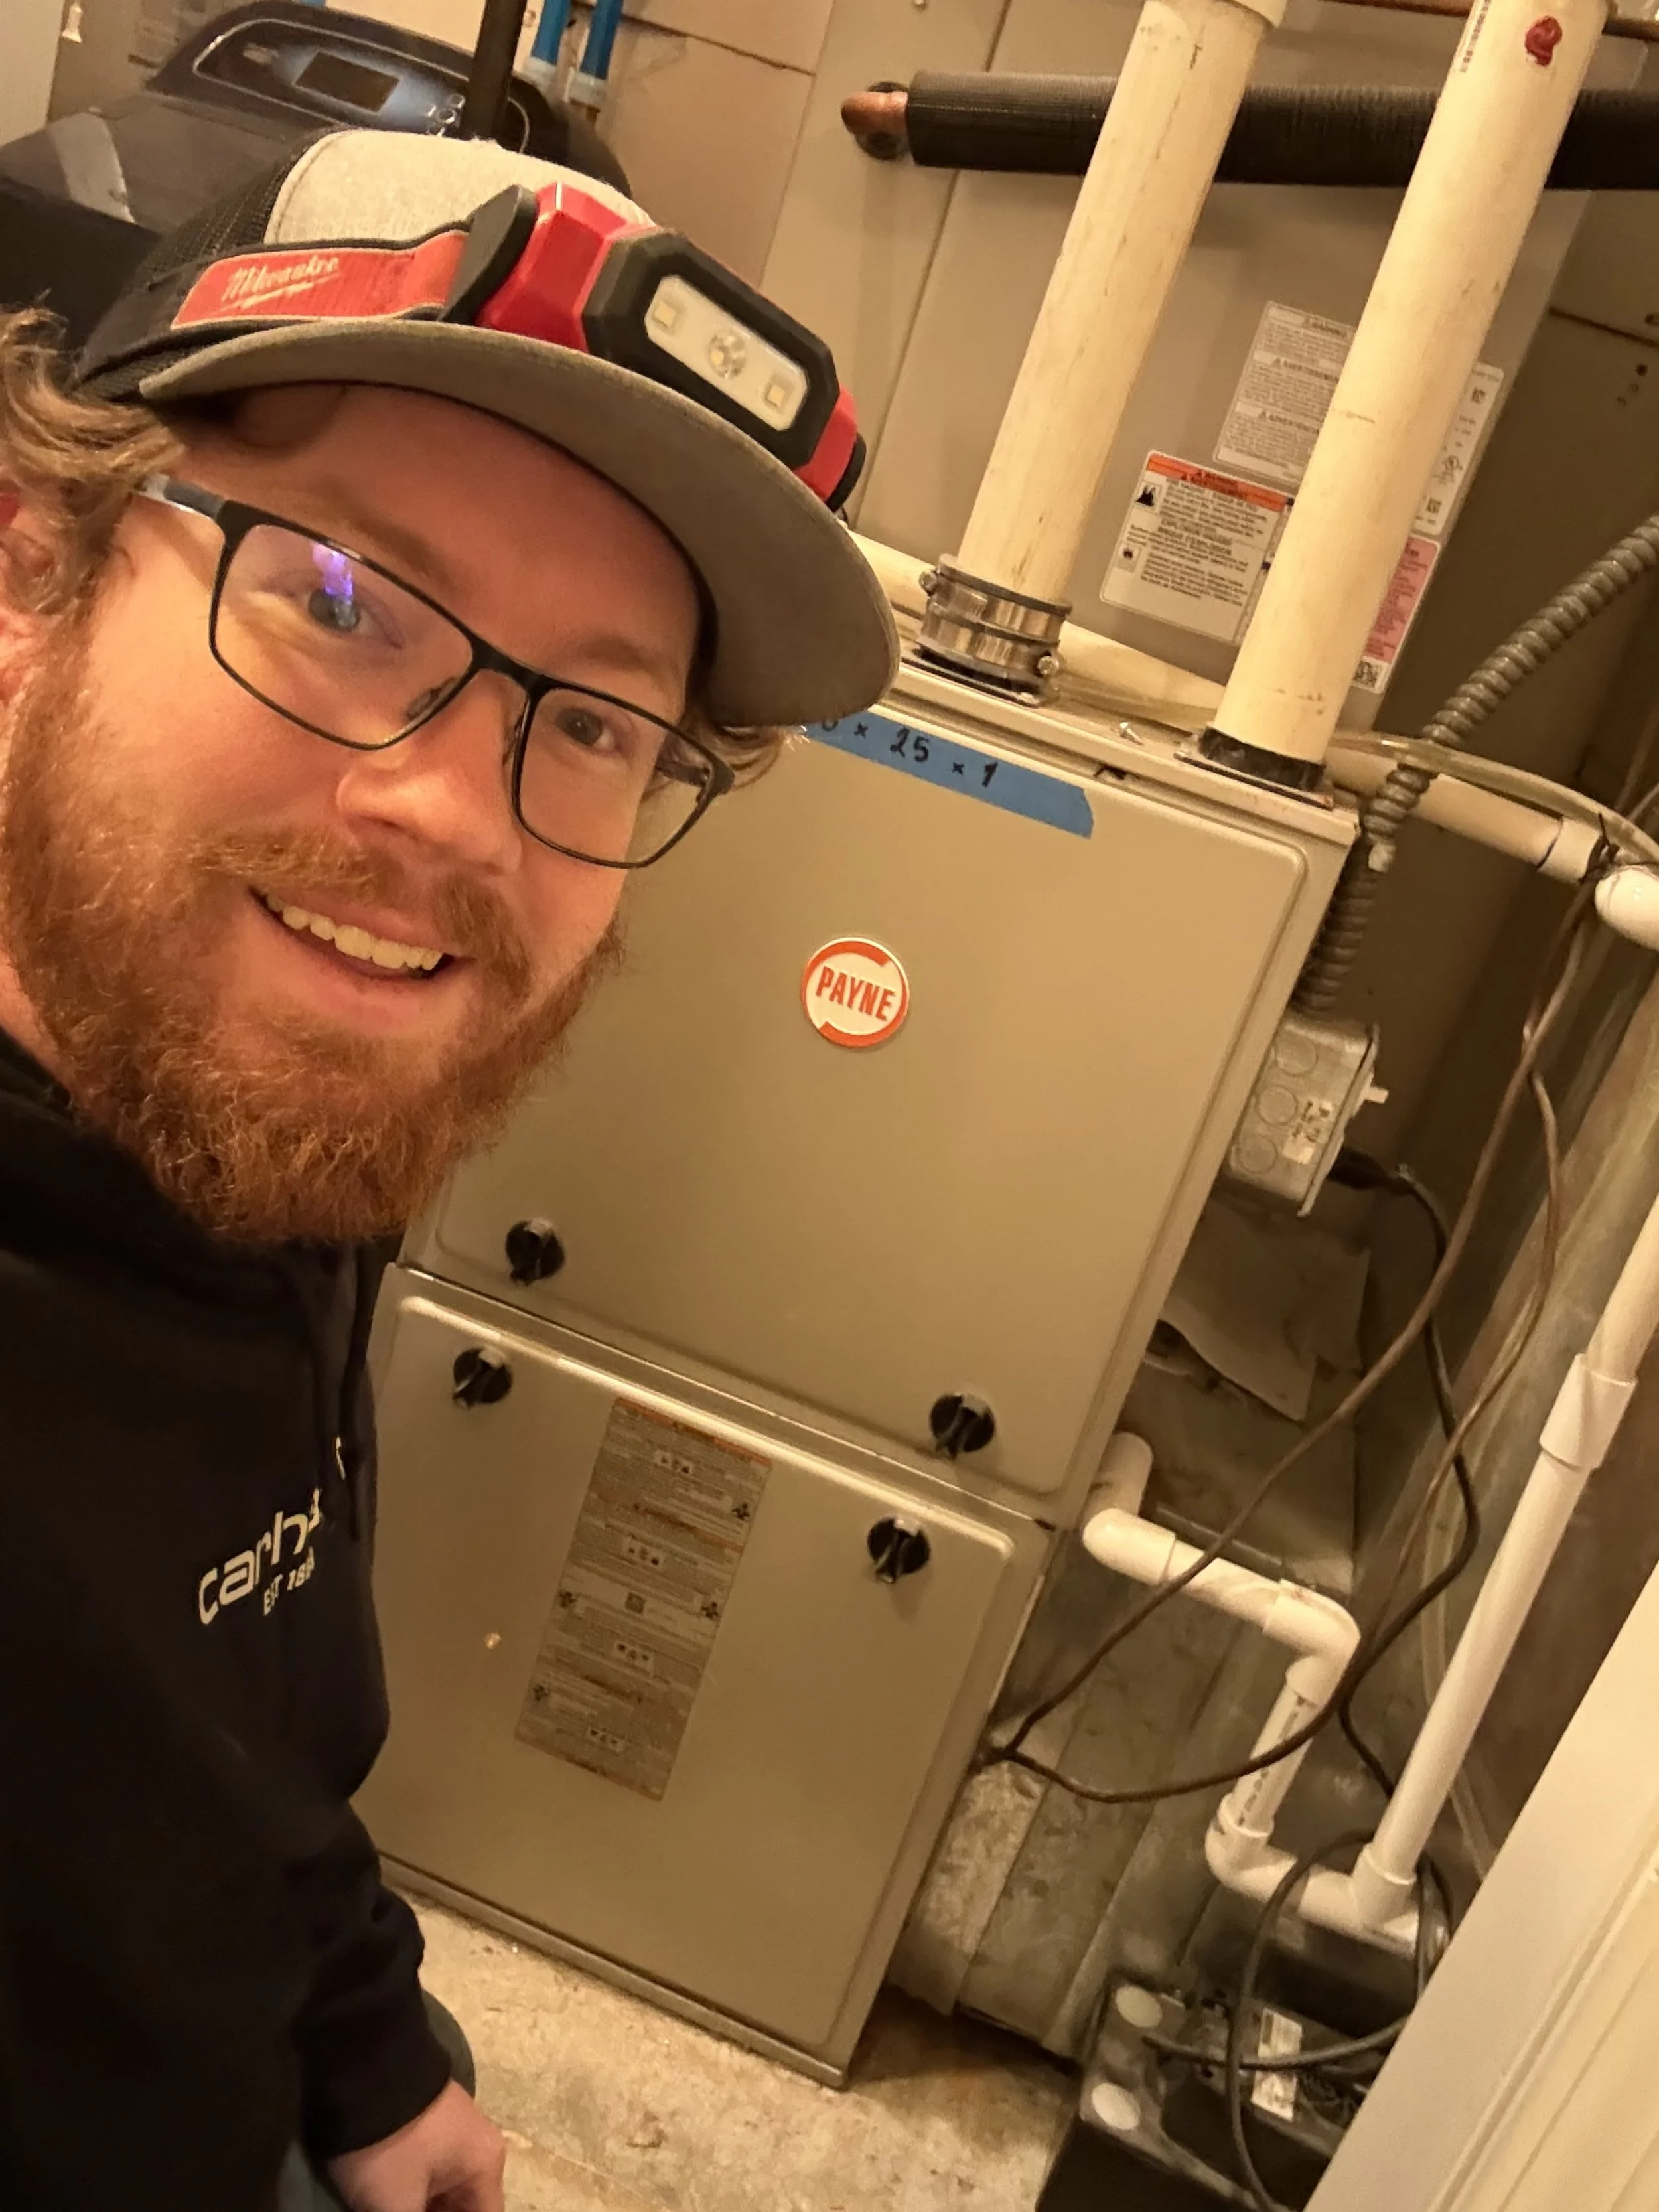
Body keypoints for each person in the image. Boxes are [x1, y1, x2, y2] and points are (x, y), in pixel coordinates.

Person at [0, 127, 895, 2212]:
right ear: (31, 578)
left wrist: (366, 2037)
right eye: (340, 598)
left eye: (591, 722)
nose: (456, 816)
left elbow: (241, 1697)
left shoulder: (257, 1103)